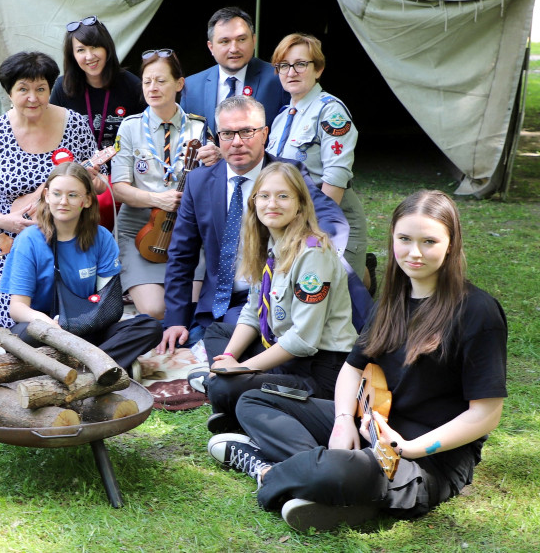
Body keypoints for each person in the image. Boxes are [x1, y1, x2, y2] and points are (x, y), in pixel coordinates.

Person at [208, 190, 507, 532]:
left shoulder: (478, 312)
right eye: (405, 239)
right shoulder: (392, 301)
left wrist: (410, 447)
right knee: (254, 401)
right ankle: (330, 486)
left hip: (425, 460)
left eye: (429, 242)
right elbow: (353, 367)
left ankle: (268, 470)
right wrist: (342, 421)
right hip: (370, 426)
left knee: (334, 471)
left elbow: (486, 413)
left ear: (451, 244)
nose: (415, 252)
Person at [159, 95, 367, 360]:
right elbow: (181, 254)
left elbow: (332, 221)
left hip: (279, 287)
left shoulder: (289, 172)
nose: (236, 142)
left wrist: (305, 255)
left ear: (265, 133)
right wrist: (176, 319)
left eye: (247, 131)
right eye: (227, 133)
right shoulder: (199, 181)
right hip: (225, 298)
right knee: (222, 337)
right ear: (218, 137)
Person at [202, 162, 357, 434]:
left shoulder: (312, 254)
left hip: (317, 370)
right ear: (254, 203)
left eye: (283, 196)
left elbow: (302, 341)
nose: (272, 203)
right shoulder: (271, 244)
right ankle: (234, 391)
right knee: (216, 332)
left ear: (300, 204)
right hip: (280, 351)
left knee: (226, 384)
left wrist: (240, 369)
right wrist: (228, 358)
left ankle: (234, 401)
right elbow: (252, 311)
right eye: (264, 196)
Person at [0, 51, 103, 327]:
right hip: (11, 243)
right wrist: (6, 221)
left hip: (68, 238)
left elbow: (97, 185)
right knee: (15, 325)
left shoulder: (75, 125)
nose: (33, 98)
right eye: (23, 89)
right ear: (9, 93)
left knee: (76, 320)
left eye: (41, 89)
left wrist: (94, 181)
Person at [1, 162, 162, 369]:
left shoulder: (102, 237)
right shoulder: (29, 240)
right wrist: (50, 326)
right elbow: (17, 308)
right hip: (46, 331)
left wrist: (80, 326)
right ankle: (103, 364)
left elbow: (109, 305)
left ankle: (82, 368)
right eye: (57, 194)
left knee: (149, 327)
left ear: (86, 200)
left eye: (73, 195)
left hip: (90, 325)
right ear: (47, 196)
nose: (63, 202)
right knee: (20, 339)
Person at [266, 33, 370, 290]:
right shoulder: (281, 118)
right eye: (284, 65)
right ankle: (369, 274)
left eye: (301, 64)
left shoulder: (331, 111)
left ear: (318, 69)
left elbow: (336, 174)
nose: (291, 72)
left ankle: (365, 277)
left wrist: (315, 231)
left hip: (331, 220)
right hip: (292, 219)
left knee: (337, 297)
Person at [111, 48, 206, 320]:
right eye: (147, 81)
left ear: (179, 83)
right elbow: (119, 188)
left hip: (184, 229)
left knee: (186, 307)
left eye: (161, 81)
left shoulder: (198, 129)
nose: (153, 88)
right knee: (154, 309)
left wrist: (216, 161)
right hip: (139, 229)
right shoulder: (129, 128)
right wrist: (158, 199)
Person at [50, 15, 143, 229]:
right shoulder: (63, 87)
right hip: (75, 173)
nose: (89, 56)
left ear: (107, 48)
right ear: (72, 55)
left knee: (103, 203)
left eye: (95, 48)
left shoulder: (130, 84)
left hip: (122, 174)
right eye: (81, 50)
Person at [180, 7, 287, 137]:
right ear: (211, 47)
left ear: (253, 41)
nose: (234, 49)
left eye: (241, 39)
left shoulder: (278, 77)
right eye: (225, 41)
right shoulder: (191, 87)